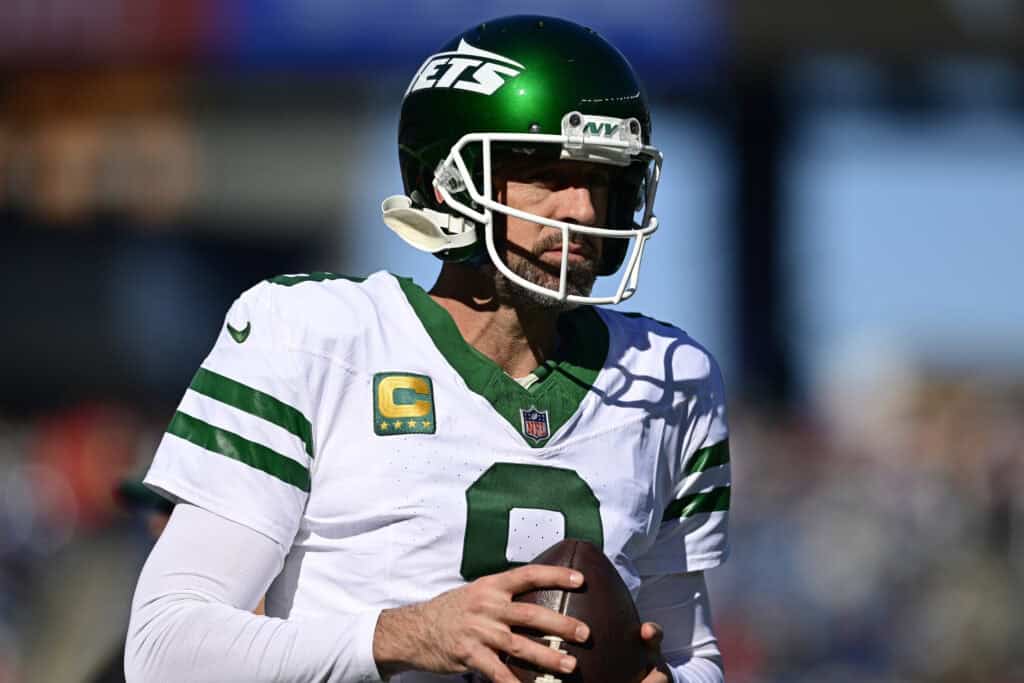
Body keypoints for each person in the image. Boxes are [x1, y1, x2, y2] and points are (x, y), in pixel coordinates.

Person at [125, 15, 730, 683]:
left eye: (601, 178)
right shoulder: (312, 334)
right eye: (548, 175)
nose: (582, 210)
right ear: (451, 181)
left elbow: (691, 654)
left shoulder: (669, 377)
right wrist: (410, 632)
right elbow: (164, 648)